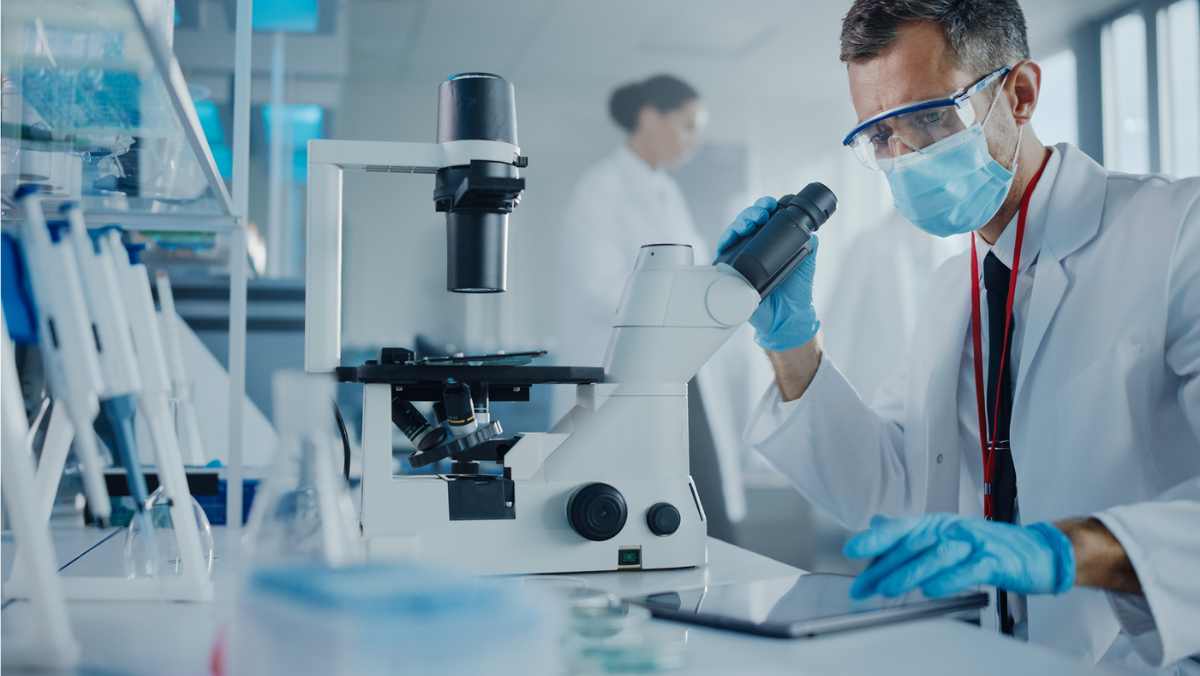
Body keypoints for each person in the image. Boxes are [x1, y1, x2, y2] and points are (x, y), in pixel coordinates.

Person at [719, 0, 1200, 671]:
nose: (905, 155)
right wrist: (789, 337)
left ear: (1021, 94)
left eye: (928, 118)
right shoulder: (954, 289)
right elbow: (885, 491)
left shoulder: (1178, 233)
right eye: (879, 136)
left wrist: (1065, 552)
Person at [555, 75, 749, 538]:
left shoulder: (668, 192)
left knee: (706, 500)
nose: (694, 142)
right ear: (649, 117)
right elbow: (598, 286)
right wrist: (678, 306)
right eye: (686, 125)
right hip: (630, 371)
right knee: (633, 513)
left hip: (679, 363)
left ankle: (719, 598)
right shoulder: (600, 190)